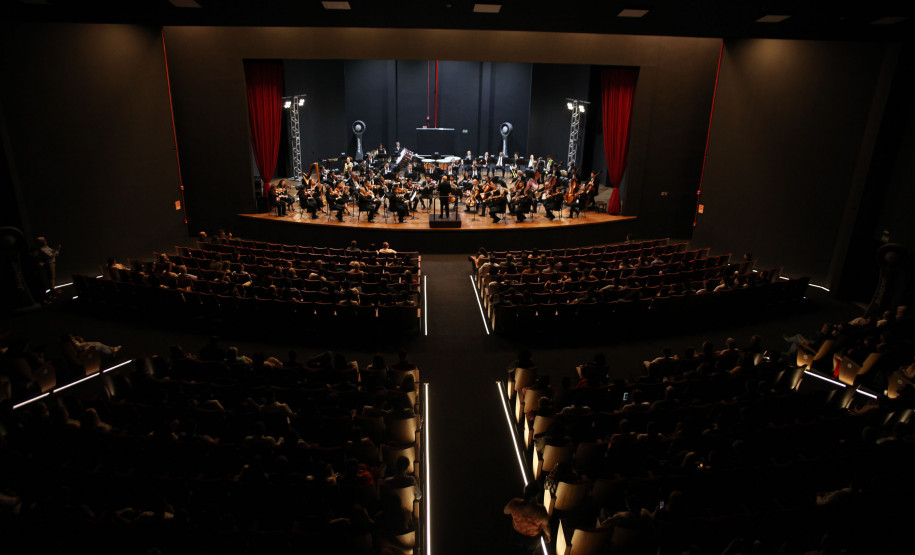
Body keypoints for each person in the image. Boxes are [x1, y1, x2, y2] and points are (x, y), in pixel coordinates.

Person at [504, 483, 551, 553]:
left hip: (516, 534)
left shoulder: (515, 503)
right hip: (532, 540)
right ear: (537, 496)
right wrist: (548, 535)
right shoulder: (541, 511)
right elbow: (545, 526)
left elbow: (506, 511)